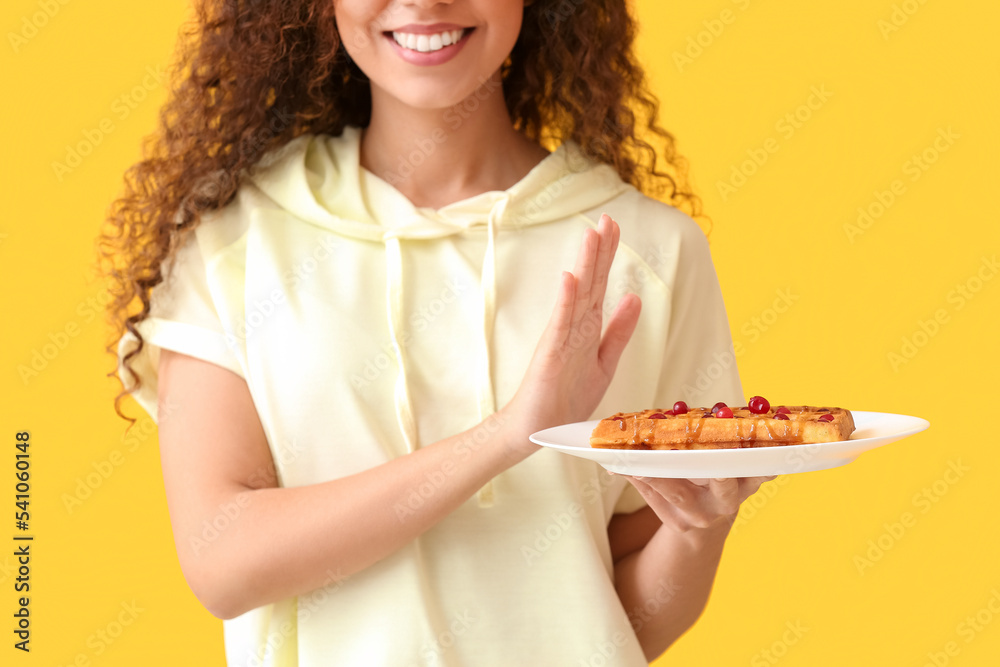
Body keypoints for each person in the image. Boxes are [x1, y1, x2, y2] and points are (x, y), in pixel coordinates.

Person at [102, 1, 773, 665]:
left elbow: (619, 623)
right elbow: (222, 562)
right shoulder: (234, 243)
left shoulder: (652, 252)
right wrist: (505, 436)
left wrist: (699, 526)